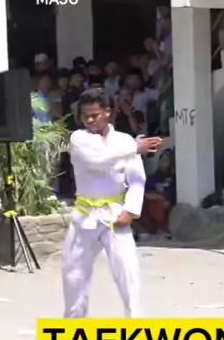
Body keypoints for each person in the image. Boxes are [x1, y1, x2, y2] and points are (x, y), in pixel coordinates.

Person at [62, 88, 162, 318]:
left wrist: (131, 211)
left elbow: (136, 179)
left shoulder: (124, 140)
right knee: (73, 274)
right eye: (85, 116)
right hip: (85, 212)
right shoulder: (78, 139)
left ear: (107, 112)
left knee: (128, 272)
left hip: (116, 211)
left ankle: (135, 322)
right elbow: (97, 161)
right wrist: (134, 149)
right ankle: (73, 325)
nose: (89, 120)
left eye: (94, 115)